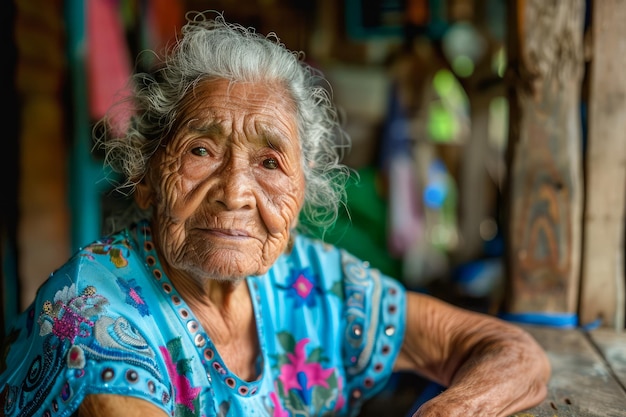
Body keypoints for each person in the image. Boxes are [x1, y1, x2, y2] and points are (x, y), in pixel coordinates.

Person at [0, 11, 550, 417]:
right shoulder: (91, 315)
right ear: (145, 178)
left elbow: (513, 353)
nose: (235, 193)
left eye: (269, 162)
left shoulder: (312, 281)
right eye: (201, 151)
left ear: (301, 193)